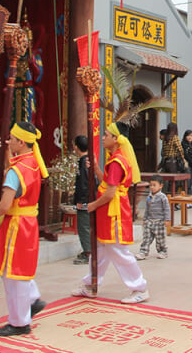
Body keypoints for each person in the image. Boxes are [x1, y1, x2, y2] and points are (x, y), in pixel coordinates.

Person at [73, 122, 149, 303]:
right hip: (109, 211)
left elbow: (109, 193)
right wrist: (97, 170)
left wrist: (92, 205)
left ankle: (139, 288)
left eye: (106, 135)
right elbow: (107, 183)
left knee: (118, 251)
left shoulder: (116, 161)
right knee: (100, 250)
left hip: (113, 212)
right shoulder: (115, 158)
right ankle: (91, 284)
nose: (103, 137)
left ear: (116, 139)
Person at [0, 122, 48, 336]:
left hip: (15, 225)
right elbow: (14, 170)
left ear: (21, 142)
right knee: (19, 271)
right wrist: (6, 152)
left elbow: (5, 204)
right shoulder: (32, 162)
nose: (9, 141)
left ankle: (19, 322)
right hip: (28, 222)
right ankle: (32, 300)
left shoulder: (16, 170)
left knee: (13, 275)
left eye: (12, 139)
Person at [136, 174, 169, 260]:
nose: (152, 187)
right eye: (150, 185)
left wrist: (167, 219)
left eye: (154, 185)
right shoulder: (149, 197)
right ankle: (143, 252)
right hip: (149, 221)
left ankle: (163, 251)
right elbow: (147, 209)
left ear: (160, 186)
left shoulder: (163, 197)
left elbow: (166, 209)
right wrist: (145, 219)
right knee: (146, 237)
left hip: (159, 221)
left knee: (160, 239)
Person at [72, 135, 91, 265]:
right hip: (88, 198)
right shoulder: (88, 160)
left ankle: (88, 252)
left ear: (76, 147)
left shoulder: (84, 162)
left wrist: (81, 200)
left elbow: (84, 183)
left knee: (83, 226)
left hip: (85, 200)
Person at [182, 130, 192, 194]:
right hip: (187, 165)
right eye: (188, 135)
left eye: (191, 135)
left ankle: (190, 200)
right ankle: (189, 199)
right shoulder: (184, 144)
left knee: (191, 182)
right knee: (187, 184)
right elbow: (186, 155)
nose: (190, 137)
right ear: (185, 137)